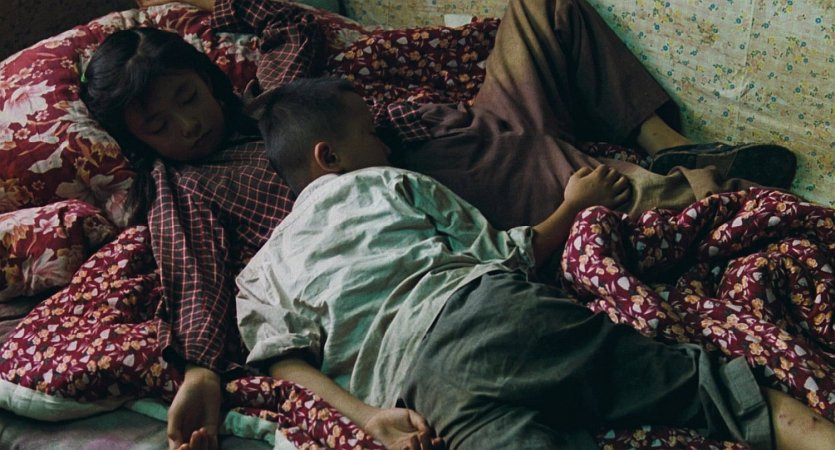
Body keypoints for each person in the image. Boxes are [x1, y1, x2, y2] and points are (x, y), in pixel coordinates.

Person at [79, 0, 799, 448]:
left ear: (206, 78)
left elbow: (290, 23)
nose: (187, 124)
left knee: (545, 7)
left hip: (455, 128)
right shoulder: (186, 186)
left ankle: (669, 144)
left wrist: (211, 8)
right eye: (158, 124)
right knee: (623, 195)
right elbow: (197, 283)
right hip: (451, 192)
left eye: (187, 97)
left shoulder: (273, 97)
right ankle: (695, 185)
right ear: (140, 141)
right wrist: (201, 374)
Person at [237, 75, 835, 450]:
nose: (386, 144)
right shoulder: (381, 182)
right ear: (330, 157)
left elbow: (282, 364)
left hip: (423, 392)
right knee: (706, 391)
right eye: (372, 134)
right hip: (486, 313)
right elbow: (507, 253)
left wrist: (369, 417)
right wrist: (574, 206)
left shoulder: (258, 275)